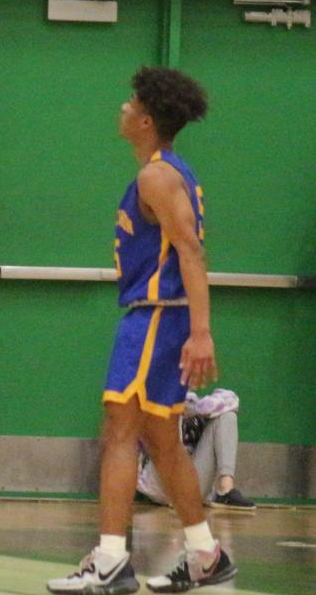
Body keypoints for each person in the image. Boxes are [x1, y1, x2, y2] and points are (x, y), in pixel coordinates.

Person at [48, 67, 235, 595]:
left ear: (147, 119)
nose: (124, 108)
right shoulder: (165, 172)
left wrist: (201, 333)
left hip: (157, 314)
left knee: (119, 430)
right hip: (160, 315)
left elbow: (192, 254)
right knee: (160, 438)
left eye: (132, 103)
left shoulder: (157, 176)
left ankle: (109, 560)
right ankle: (205, 554)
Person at [138, 389, 255, 513]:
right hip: (160, 480)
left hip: (190, 484)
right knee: (171, 409)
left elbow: (232, 400)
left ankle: (225, 490)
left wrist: (199, 408)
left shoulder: (201, 404)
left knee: (227, 415)